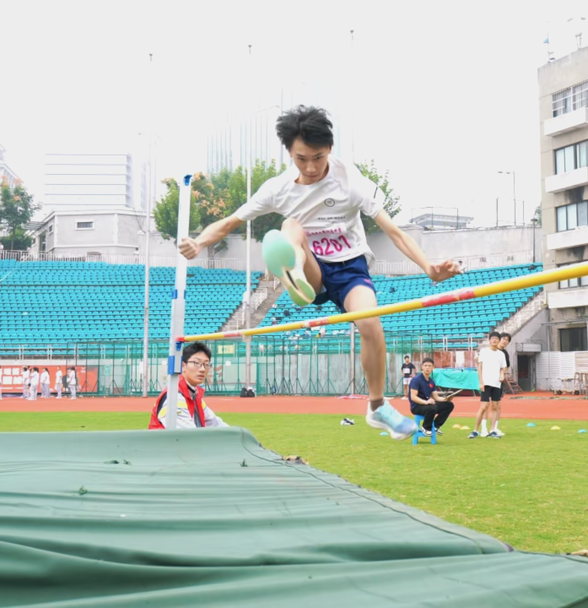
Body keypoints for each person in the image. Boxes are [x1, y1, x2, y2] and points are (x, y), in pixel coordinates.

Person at [178, 106, 460, 440]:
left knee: (371, 323)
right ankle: (293, 271)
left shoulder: (350, 180)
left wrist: (428, 267)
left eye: (318, 158)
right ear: (289, 153)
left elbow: (394, 231)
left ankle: (377, 407)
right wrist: (199, 242)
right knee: (290, 225)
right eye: (301, 159)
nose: (311, 168)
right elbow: (230, 222)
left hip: (350, 267)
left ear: (330, 149)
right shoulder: (278, 188)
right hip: (312, 267)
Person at [149, 342, 228, 429]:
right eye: (196, 363)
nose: (202, 369)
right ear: (182, 366)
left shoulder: (194, 394)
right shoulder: (174, 397)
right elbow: (188, 434)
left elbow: (215, 423)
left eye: (206, 364)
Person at [470, 331, 507, 439]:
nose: (494, 340)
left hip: (496, 383)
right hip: (486, 383)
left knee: (495, 406)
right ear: (489, 340)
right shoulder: (484, 351)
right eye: (493, 338)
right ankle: (475, 430)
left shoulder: (501, 354)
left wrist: (502, 375)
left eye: (497, 338)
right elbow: (479, 367)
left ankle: (492, 430)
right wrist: (481, 382)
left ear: (499, 341)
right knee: (484, 407)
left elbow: (502, 368)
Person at [408, 358, 455, 436]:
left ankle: (436, 426)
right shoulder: (416, 379)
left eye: (429, 366)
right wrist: (426, 402)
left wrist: (446, 399)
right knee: (432, 407)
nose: (427, 367)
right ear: (422, 367)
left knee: (449, 405)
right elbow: (413, 397)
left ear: (433, 367)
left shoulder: (431, 381)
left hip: (428, 405)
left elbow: (436, 397)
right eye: (425, 365)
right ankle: (426, 427)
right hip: (417, 406)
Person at [482, 332, 513, 436]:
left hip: (497, 382)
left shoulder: (504, 353)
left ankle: (494, 428)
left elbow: (506, 366)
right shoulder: (487, 351)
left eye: (507, 340)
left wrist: (501, 373)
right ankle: (484, 428)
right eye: (503, 339)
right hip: (487, 381)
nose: (504, 341)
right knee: (485, 405)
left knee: (497, 405)